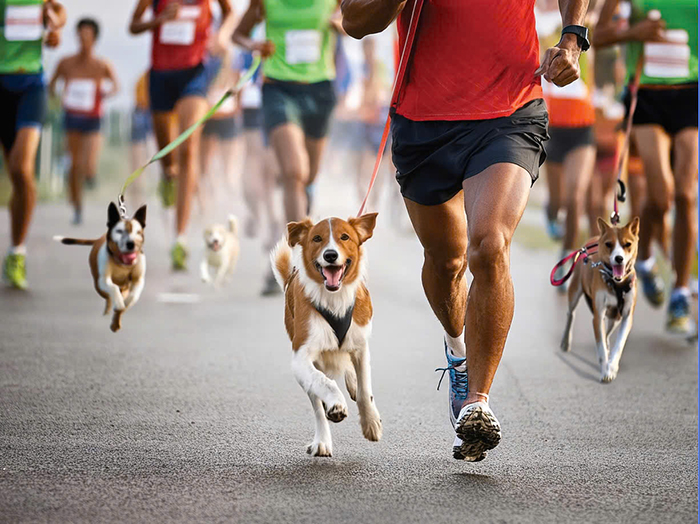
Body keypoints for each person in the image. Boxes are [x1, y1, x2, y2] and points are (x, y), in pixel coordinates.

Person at [342, 0, 588, 461]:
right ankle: (457, 351)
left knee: (489, 245)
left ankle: (477, 402)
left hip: (509, 109)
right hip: (423, 121)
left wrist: (573, 38)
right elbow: (355, 22)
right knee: (447, 259)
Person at [594, 0, 698, 333]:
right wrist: (634, 32)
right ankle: (647, 258)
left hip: (691, 93)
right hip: (647, 95)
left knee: (685, 194)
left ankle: (680, 292)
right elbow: (597, 35)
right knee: (662, 194)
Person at [129, 0, 233, 271]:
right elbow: (133, 25)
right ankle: (167, 175)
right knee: (168, 157)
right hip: (161, 75)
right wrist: (159, 20)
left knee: (189, 147)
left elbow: (231, 13)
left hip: (195, 72)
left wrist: (221, 36)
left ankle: (180, 237)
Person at [233, 0, 341, 226]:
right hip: (278, 88)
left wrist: (341, 24)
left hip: (320, 90)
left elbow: (356, 22)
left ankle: (305, 197)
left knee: (309, 176)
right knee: (293, 171)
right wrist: (254, 45)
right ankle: (300, 253)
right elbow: (238, 35)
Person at [1, 0, 66, 289]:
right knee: (14, 175)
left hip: (31, 86)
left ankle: (17, 252)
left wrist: (55, 26)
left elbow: (58, 11)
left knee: (21, 167)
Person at [538, 2, 596, 288]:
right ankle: (550, 211)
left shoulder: (580, 20)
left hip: (583, 125)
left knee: (575, 198)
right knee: (558, 201)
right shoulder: (536, 20)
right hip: (553, 126)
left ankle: (567, 255)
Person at [49, 17, 119, 225]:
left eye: (88, 36)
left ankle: (91, 175)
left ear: (95, 39)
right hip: (72, 116)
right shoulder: (66, 63)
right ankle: (77, 206)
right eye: (81, 35)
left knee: (88, 164)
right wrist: (59, 97)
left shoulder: (102, 64)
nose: (84, 40)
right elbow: (52, 85)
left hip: (93, 118)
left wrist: (106, 93)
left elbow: (116, 86)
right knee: (75, 165)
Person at [237, 47, 282, 296]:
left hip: (295, 102)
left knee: (280, 178)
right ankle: (270, 227)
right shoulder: (250, 42)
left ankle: (273, 228)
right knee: (262, 178)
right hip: (258, 106)